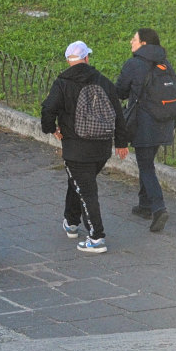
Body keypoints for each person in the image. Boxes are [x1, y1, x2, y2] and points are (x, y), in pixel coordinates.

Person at [40, 41, 129, 254]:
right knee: (79, 183)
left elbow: (48, 108)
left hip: (76, 148)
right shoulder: (104, 82)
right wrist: (122, 142)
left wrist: (50, 129)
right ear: (87, 58)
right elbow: (118, 112)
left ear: (68, 61)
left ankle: (96, 237)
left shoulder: (62, 83)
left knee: (86, 189)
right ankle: (71, 222)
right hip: (101, 148)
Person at [115, 28, 176, 234]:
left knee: (146, 166)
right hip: (165, 121)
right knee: (147, 161)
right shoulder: (165, 63)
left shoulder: (134, 64)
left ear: (143, 44)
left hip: (143, 124)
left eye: (134, 39)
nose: (131, 42)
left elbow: (120, 91)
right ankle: (144, 205)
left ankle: (158, 208)